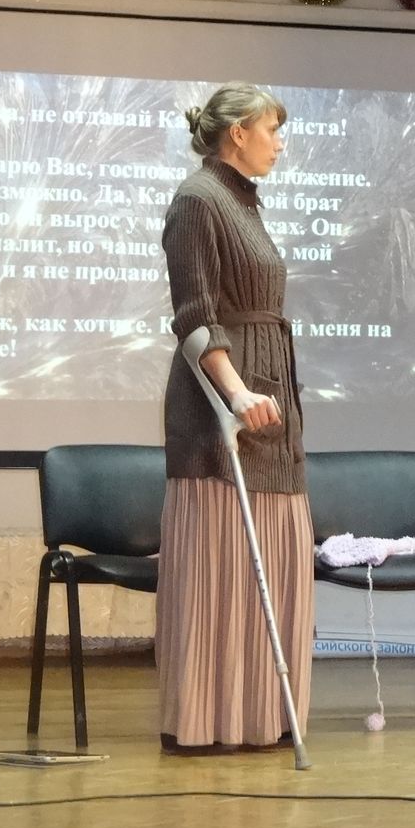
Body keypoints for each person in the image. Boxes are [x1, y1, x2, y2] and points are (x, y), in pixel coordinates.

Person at [157, 82, 313, 753]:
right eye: (272, 130)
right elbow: (194, 316)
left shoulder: (244, 200)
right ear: (238, 132)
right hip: (223, 410)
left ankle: (260, 717)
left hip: (270, 405)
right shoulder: (199, 199)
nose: (279, 143)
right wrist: (236, 394)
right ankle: (205, 721)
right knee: (221, 562)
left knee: (273, 557)